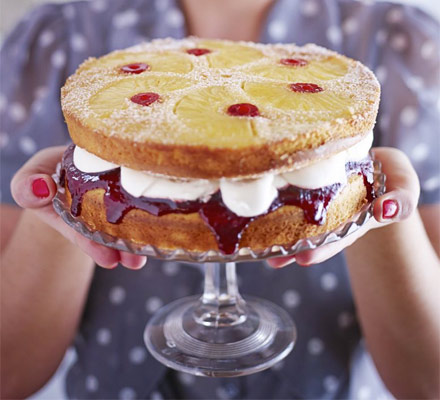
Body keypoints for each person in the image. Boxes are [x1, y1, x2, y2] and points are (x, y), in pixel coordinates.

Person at [1, 0, 439, 399]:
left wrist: (375, 202)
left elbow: (427, 382)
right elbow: (10, 375)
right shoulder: (57, 37)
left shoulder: (405, 44)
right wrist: (69, 194)